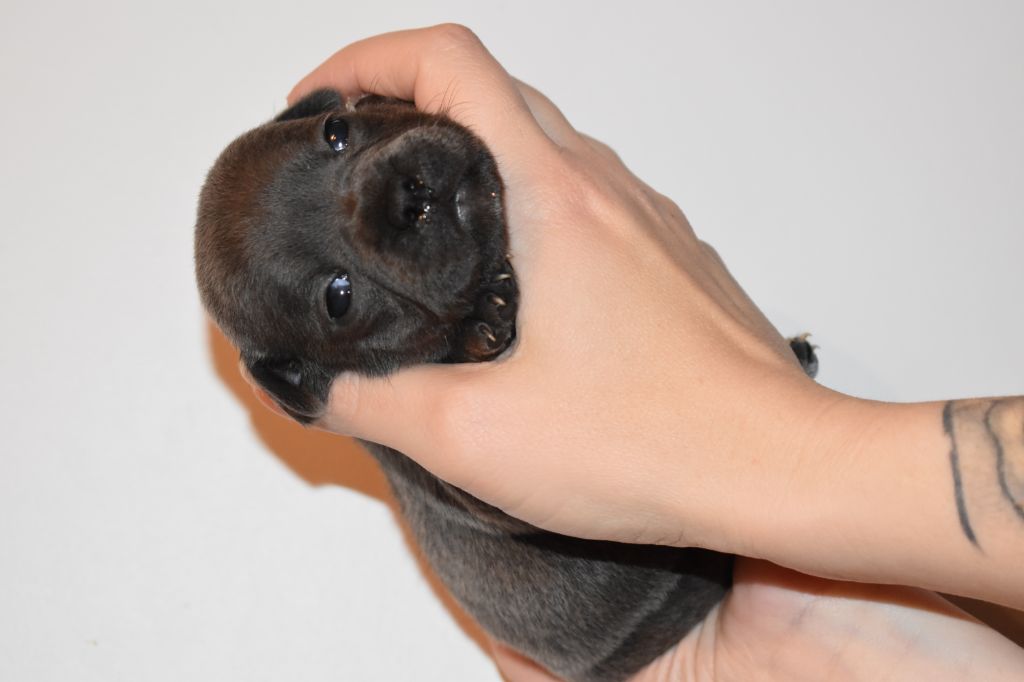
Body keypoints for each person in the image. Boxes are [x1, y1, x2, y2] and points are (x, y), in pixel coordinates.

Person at [253, 25, 1024, 680]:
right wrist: (778, 439)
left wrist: (779, 438)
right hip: (632, 624)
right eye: (337, 297)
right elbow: (492, 493)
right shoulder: (450, 427)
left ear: (334, 108)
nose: (382, 190)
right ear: (303, 379)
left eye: (336, 138)